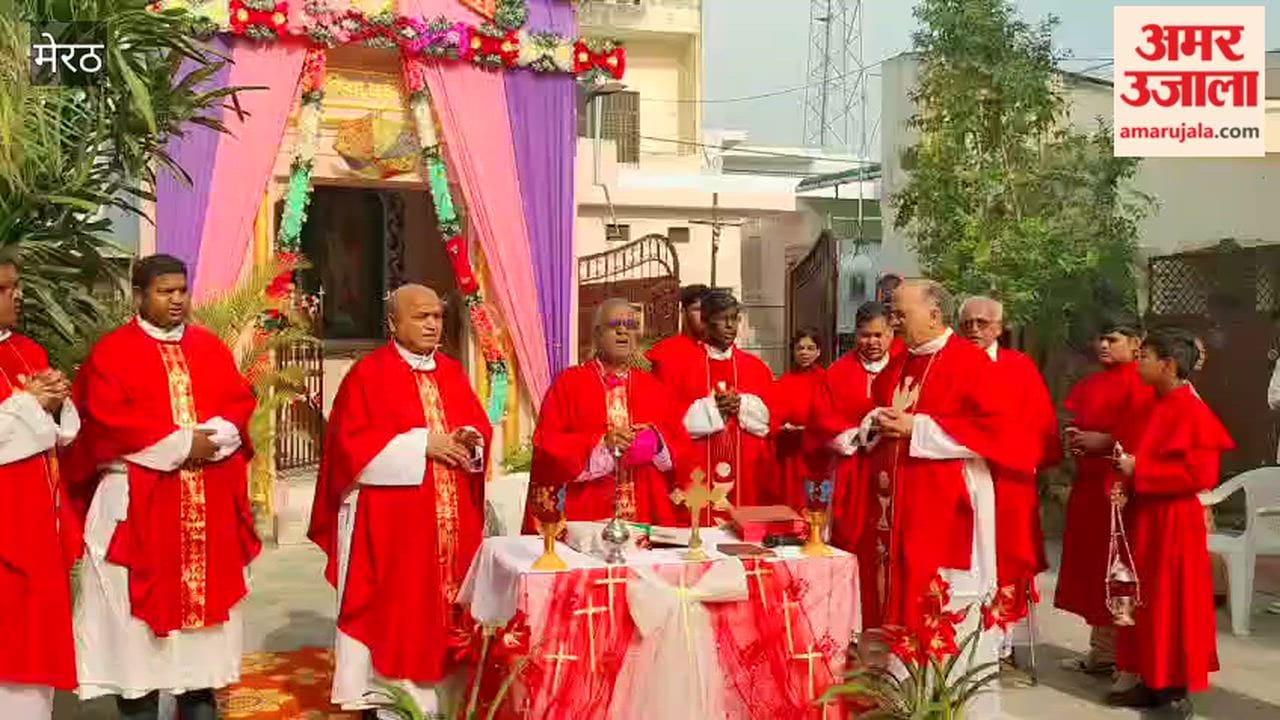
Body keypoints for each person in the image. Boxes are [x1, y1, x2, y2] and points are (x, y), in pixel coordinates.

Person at [66, 254, 260, 720]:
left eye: (182, 291)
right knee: (136, 652)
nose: (177, 300)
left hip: (204, 513)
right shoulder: (113, 353)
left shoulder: (209, 348)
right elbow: (107, 422)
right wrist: (181, 444)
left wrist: (213, 438)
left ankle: (199, 706)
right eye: (165, 292)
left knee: (201, 657)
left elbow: (238, 404)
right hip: (137, 509)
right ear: (139, 295)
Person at [310, 284, 492, 717]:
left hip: (453, 529)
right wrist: (420, 445)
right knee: (398, 617)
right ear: (393, 323)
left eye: (438, 317)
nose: (432, 324)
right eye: (421, 316)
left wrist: (472, 441)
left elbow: (476, 428)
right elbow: (348, 449)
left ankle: (449, 703)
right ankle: (395, 705)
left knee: (455, 619)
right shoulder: (368, 375)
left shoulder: (452, 371)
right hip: (395, 532)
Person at [859, 280, 1033, 717]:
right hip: (899, 506)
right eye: (893, 313)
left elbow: (1000, 431)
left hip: (951, 504)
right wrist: (875, 421)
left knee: (945, 601)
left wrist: (917, 428)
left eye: (901, 313)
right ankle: (906, 703)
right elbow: (885, 410)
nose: (894, 321)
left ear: (934, 314)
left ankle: (957, 707)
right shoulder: (901, 362)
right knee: (901, 599)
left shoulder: (969, 363)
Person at [1109, 329, 1232, 715]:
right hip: (1145, 516)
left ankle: (1175, 690)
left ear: (1168, 365)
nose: (1138, 362)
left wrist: (1140, 470)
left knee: (1172, 604)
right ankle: (1149, 679)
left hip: (1175, 522)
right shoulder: (1151, 404)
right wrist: (1126, 481)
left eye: (1144, 356)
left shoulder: (1193, 411)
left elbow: (1201, 475)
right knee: (1143, 600)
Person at [0, 258, 81, 720]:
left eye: (17, 287)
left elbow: (59, 431)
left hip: (36, 529)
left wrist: (55, 400)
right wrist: (31, 404)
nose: (18, 296)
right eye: (4, 288)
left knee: (34, 664)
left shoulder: (28, 349)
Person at [526, 298, 690, 526]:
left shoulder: (655, 387)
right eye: (614, 325)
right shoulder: (570, 383)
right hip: (586, 512)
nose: (623, 331)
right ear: (597, 334)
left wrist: (658, 442)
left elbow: (682, 446)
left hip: (646, 513)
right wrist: (602, 445)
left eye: (631, 326)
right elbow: (548, 444)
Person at [958, 297, 1062, 650]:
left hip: (1009, 477)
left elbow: (1040, 422)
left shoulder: (1019, 367)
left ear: (1000, 328)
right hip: (962, 474)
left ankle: (1001, 638)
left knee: (1009, 551)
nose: (974, 329)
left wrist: (1019, 455)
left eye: (983, 323)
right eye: (968, 323)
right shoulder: (949, 363)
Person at [1054, 317, 1154, 676]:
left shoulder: (1144, 383)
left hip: (1122, 490)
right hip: (1088, 487)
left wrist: (1107, 441)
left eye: (1112, 339)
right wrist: (1074, 439)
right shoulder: (1091, 383)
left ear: (1135, 343)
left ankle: (1124, 657)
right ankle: (1101, 651)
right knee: (1093, 569)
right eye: (1100, 338)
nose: (1103, 345)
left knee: (1120, 568)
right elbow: (1076, 419)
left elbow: (1148, 436)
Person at [814, 301, 896, 626]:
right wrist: (861, 431)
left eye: (879, 335)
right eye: (864, 336)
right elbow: (822, 422)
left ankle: (891, 620)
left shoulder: (905, 368)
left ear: (891, 334)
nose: (872, 343)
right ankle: (852, 620)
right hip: (855, 471)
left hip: (896, 469)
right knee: (853, 538)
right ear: (855, 335)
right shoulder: (837, 373)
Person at [664, 289, 774, 517]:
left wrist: (742, 405)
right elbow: (670, 421)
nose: (730, 326)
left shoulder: (756, 367)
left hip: (746, 473)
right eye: (723, 319)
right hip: (698, 470)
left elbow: (771, 418)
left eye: (734, 319)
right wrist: (713, 409)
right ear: (705, 322)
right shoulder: (681, 366)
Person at [771, 327, 827, 511]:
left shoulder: (827, 380)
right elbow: (774, 415)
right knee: (792, 501)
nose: (804, 353)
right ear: (793, 351)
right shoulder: (784, 382)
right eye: (800, 348)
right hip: (791, 453)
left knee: (818, 500)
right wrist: (781, 427)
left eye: (810, 348)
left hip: (819, 453)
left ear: (819, 352)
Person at [646, 284, 708, 384]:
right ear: (683, 312)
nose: (705, 315)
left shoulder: (719, 352)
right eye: (697, 309)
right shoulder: (663, 351)